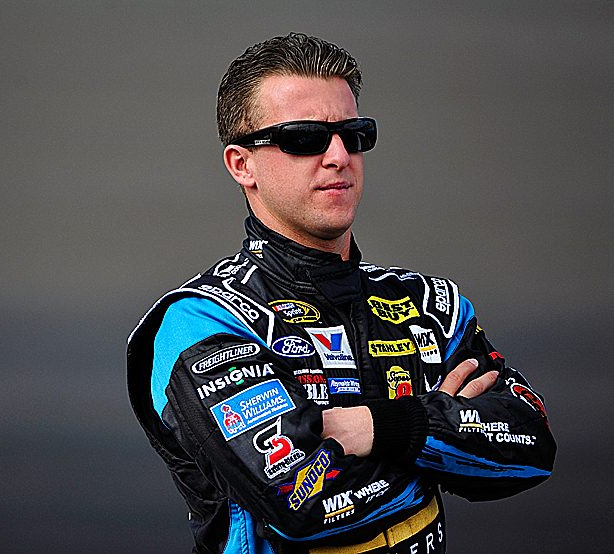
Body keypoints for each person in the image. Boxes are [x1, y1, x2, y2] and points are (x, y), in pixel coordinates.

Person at [127, 33, 555, 554]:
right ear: (242, 164)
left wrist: (380, 427)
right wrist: (444, 436)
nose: (338, 156)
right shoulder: (203, 321)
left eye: (353, 135)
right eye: (304, 138)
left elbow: (532, 446)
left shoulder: (429, 304)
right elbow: (302, 504)